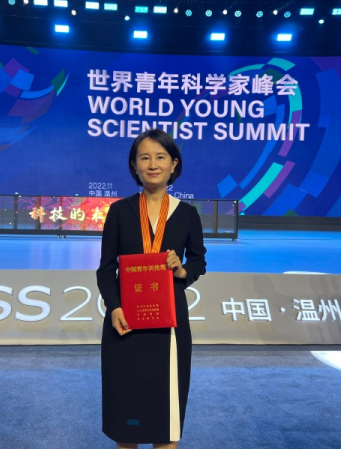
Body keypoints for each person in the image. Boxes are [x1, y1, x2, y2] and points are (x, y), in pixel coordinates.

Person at [97, 128, 207, 448]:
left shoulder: (187, 214)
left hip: (169, 325)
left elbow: (198, 261)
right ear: (134, 165)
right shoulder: (120, 211)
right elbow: (106, 269)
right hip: (125, 321)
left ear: (174, 164)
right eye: (144, 158)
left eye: (161, 157)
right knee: (126, 421)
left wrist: (181, 269)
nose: (153, 164)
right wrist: (115, 307)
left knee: (165, 423)